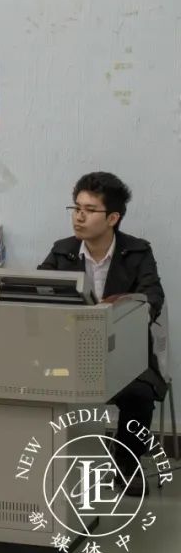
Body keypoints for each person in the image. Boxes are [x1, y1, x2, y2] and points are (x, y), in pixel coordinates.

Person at [38, 172, 166, 495]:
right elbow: (38, 292)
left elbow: (153, 296)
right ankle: (49, 463)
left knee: (139, 394)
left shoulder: (137, 252)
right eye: (76, 207)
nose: (79, 217)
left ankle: (126, 464)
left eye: (89, 210)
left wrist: (122, 310)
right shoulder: (63, 251)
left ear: (112, 218)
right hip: (68, 354)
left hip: (122, 353)